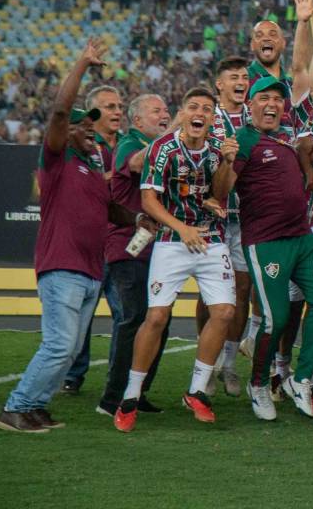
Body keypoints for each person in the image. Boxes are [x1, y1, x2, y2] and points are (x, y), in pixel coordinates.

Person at [0, 40, 146, 434]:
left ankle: (36, 407)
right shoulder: (57, 160)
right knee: (60, 345)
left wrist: (140, 219)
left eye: (88, 125)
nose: (86, 131)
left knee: (68, 349)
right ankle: (15, 407)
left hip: (90, 269)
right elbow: (61, 110)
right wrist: (81, 64)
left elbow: (110, 210)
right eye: (79, 125)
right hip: (62, 265)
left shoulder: (93, 169)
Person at [211, 76, 313, 422]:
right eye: (263, 98)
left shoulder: (285, 137)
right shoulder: (244, 139)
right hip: (266, 242)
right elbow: (222, 190)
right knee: (275, 318)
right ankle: (259, 383)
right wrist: (225, 161)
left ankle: (302, 378)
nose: (271, 105)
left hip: (302, 237)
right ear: (250, 105)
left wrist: (308, 168)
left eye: (278, 99)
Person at [113, 88, 233, 432]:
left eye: (207, 109)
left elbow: (220, 193)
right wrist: (182, 228)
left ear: (212, 118)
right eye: (194, 107)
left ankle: (197, 391)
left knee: (224, 312)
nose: (200, 113)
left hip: (211, 239)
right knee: (156, 316)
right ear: (183, 113)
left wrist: (226, 163)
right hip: (172, 239)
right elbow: (149, 201)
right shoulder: (163, 149)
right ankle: (131, 395)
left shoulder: (215, 150)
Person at [96, 93, 171, 417]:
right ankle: (111, 399)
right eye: (157, 111)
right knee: (133, 319)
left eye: (167, 110)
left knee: (158, 322)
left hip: (157, 250)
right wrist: (176, 131)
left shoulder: (168, 148)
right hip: (128, 248)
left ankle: (137, 392)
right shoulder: (129, 142)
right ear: (138, 121)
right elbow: (138, 164)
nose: (165, 115)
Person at [63, 84, 126, 394]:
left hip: (122, 242)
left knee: (124, 315)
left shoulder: (127, 143)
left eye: (119, 106)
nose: (117, 112)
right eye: (109, 107)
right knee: (81, 314)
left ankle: (118, 377)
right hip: (89, 243)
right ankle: (73, 374)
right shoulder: (82, 147)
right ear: (92, 114)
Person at [211, 56, 253, 395]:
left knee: (242, 290)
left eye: (244, 76)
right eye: (234, 77)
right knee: (209, 295)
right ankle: (207, 361)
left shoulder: (254, 118)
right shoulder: (209, 119)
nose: (241, 81)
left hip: (247, 217)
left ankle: (228, 365)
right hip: (214, 217)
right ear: (219, 85)